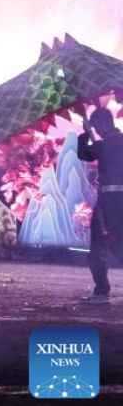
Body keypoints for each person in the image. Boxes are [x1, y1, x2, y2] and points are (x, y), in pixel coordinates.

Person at [77, 107, 123, 304]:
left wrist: (85, 133)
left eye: (97, 127)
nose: (96, 130)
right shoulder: (112, 143)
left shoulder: (105, 145)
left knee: (98, 247)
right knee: (118, 245)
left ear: (103, 124)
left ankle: (102, 292)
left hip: (108, 203)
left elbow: (84, 154)